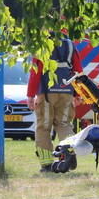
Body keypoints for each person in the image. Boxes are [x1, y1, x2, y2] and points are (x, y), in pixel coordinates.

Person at [26, 32, 81, 171]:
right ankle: (69, 155)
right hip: (66, 91)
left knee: (44, 127)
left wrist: (31, 95)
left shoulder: (42, 45)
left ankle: (46, 164)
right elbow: (78, 70)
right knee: (64, 124)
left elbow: (35, 71)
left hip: (46, 93)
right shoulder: (70, 44)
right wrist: (77, 93)